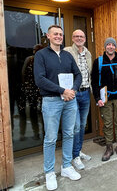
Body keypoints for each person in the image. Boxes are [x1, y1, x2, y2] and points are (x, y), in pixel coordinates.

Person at [34, 25, 82, 191]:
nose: (58, 36)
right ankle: (49, 172)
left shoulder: (68, 55)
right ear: (48, 36)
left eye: (61, 34)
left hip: (70, 100)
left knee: (69, 133)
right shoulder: (41, 55)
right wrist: (63, 91)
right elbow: (39, 80)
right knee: (51, 138)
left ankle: (66, 166)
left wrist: (73, 90)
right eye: (55, 34)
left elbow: (78, 75)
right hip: (52, 101)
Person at [91, 37, 117, 161]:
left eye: (112, 45)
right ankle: (109, 147)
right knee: (108, 124)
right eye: (108, 44)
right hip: (105, 98)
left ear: (115, 47)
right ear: (105, 47)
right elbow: (94, 82)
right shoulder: (98, 61)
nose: (110, 47)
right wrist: (97, 98)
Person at [64, 29, 92, 170]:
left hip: (86, 92)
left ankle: (78, 151)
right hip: (73, 94)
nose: (79, 38)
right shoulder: (67, 51)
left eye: (81, 36)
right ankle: (74, 156)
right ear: (73, 38)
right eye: (76, 36)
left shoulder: (88, 53)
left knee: (82, 125)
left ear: (85, 38)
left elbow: (89, 73)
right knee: (75, 126)